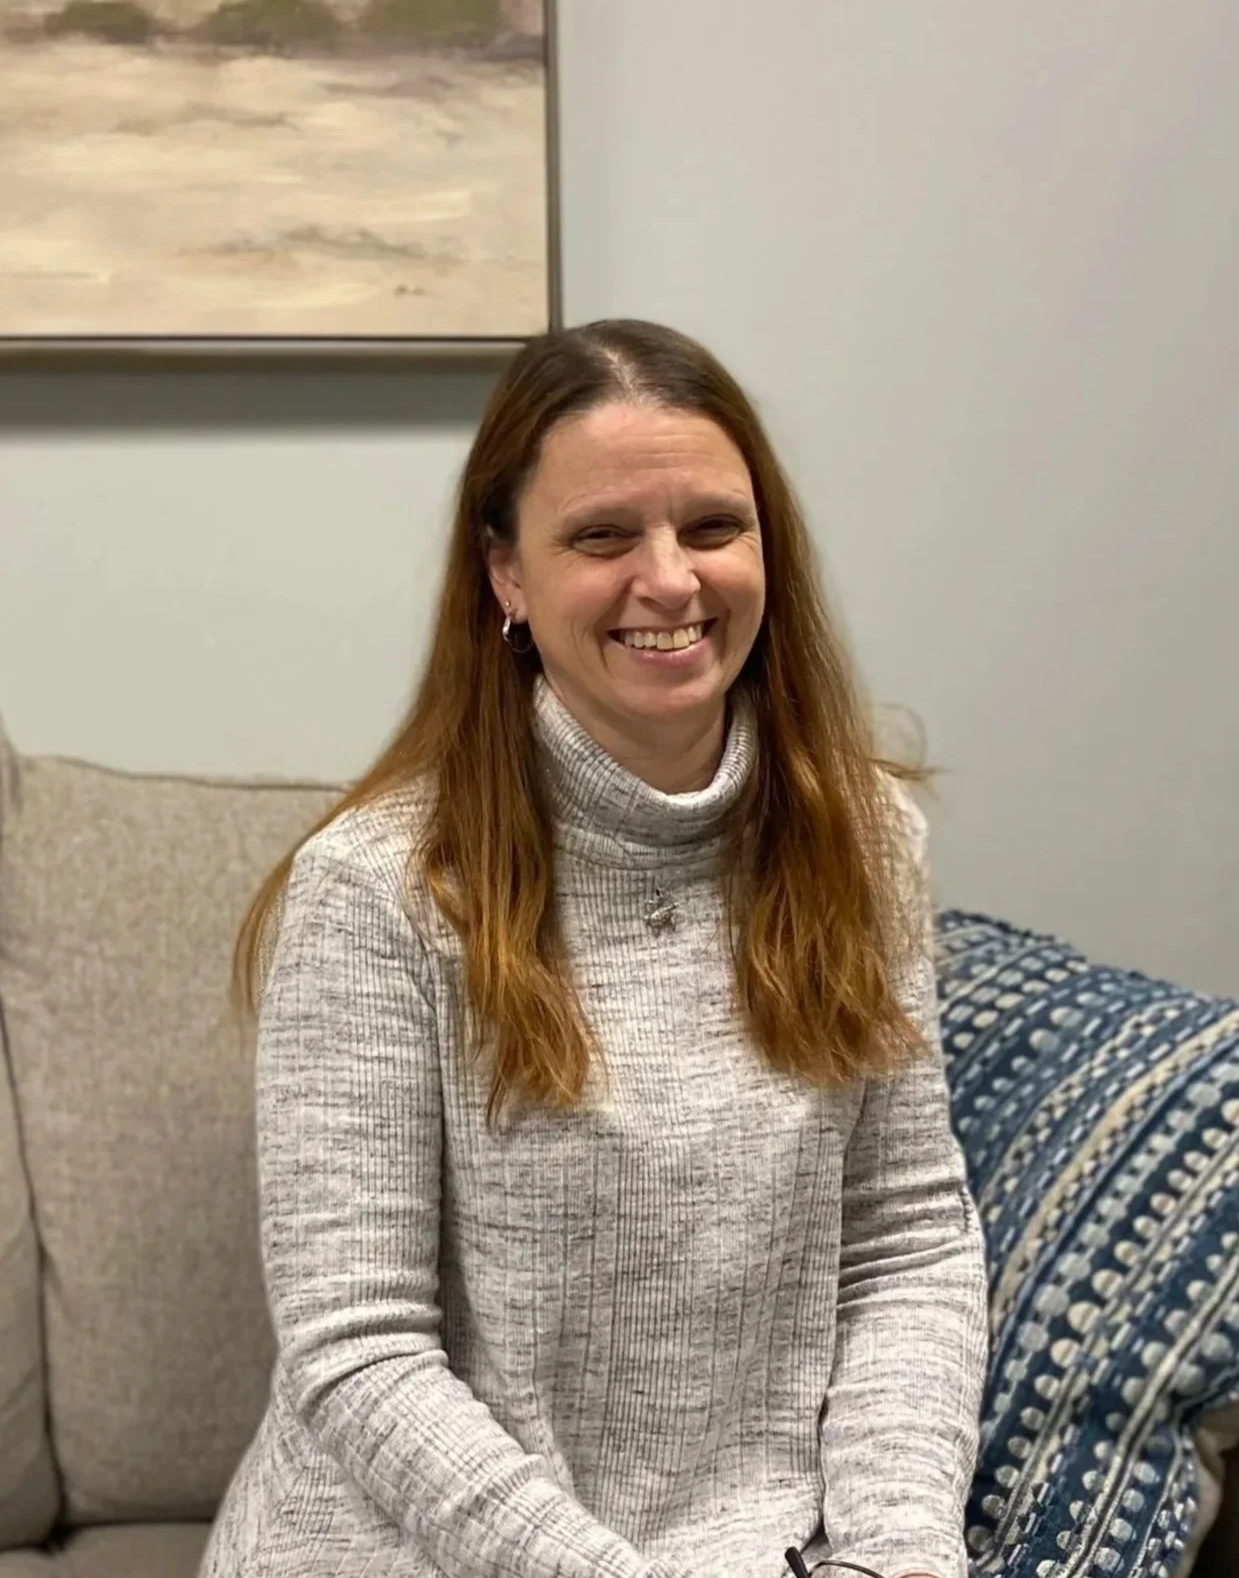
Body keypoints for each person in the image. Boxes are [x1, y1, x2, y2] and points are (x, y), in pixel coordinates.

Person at [198, 318, 988, 1578]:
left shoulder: (864, 839)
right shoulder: (376, 891)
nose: (670, 580)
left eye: (714, 527)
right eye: (602, 536)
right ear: (507, 574)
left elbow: (907, 1242)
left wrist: (897, 1555)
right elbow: (360, 1346)